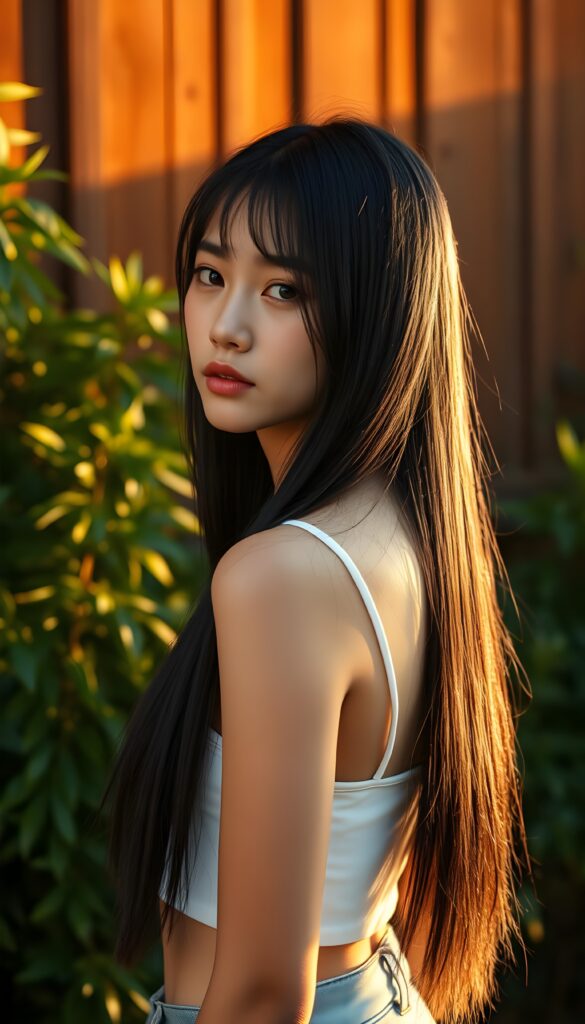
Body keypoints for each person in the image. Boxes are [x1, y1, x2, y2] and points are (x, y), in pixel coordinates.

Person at [100, 117, 532, 1023]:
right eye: (212, 275)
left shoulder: (281, 576)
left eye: (285, 290)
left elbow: (261, 993)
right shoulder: (407, 535)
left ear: (375, 310)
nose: (226, 325)